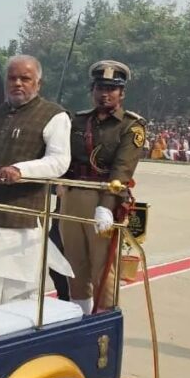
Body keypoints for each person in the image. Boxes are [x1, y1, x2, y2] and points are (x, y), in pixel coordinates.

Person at [0, 55, 72, 307]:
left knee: (16, 301)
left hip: (20, 224)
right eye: (12, 78)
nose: (17, 83)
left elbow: (59, 161)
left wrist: (21, 170)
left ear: (38, 83)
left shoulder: (54, 115)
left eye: (25, 79)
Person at [61, 61, 145, 314]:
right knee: (74, 264)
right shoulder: (78, 121)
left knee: (103, 267)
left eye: (111, 88)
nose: (104, 94)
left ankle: (105, 320)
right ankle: (79, 315)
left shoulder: (131, 126)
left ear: (122, 93)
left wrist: (107, 206)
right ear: (92, 90)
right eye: (100, 88)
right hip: (72, 195)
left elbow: (122, 170)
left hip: (104, 199)